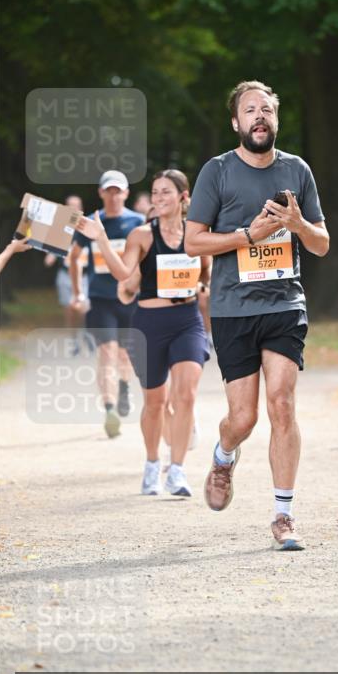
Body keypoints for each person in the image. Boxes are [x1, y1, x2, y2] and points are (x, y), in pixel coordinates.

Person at [185, 79, 329, 551]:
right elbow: (193, 242)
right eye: (250, 110)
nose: (259, 116)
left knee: (282, 403)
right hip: (233, 309)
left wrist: (296, 223)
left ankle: (283, 515)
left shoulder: (298, 170)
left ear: (276, 119)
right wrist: (247, 235)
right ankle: (225, 454)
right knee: (243, 418)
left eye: (266, 109)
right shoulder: (217, 172)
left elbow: (322, 243)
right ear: (236, 122)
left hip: (285, 303)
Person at [77, 170, 211, 497]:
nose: (159, 198)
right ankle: (152, 463)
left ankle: (177, 471)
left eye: (166, 192)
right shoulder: (142, 235)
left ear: (183, 197)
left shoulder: (197, 235)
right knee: (155, 403)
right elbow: (123, 273)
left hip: (187, 320)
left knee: (187, 395)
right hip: (149, 324)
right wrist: (100, 238)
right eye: (155, 192)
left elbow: (207, 272)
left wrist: (202, 286)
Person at [68, 171, 144, 438]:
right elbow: (74, 258)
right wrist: (78, 293)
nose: (113, 195)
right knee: (107, 353)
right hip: (100, 299)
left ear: (126, 193)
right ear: (101, 193)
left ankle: (123, 387)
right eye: (108, 191)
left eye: (118, 191)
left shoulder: (138, 222)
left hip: (130, 299)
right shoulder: (90, 223)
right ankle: (110, 409)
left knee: (125, 355)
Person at [44, 195, 89, 347]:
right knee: (69, 310)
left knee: (82, 308)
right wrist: (50, 256)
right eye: (69, 206)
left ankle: (84, 332)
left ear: (81, 208)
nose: (73, 209)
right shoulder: (60, 228)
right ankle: (73, 339)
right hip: (65, 274)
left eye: (76, 206)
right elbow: (52, 249)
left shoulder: (88, 228)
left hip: (84, 276)